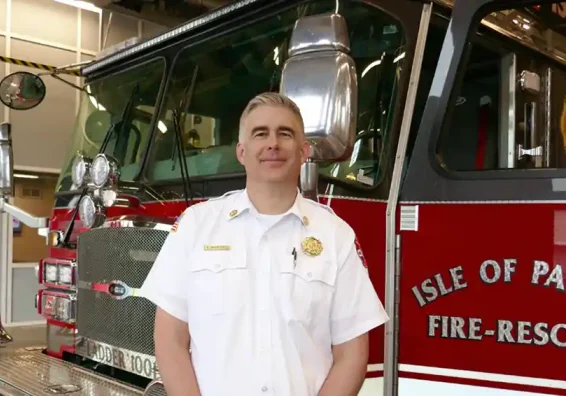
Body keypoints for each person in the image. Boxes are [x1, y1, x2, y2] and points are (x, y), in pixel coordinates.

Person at [139, 92, 389, 396]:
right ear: (242, 152)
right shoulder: (195, 226)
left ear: (303, 151)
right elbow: (170, 340)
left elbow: (351, 355)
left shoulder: (336, 236)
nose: (273, 143)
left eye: (285, 133)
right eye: (261, 134)